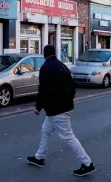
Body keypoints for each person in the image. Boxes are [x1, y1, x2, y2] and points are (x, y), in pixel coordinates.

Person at [27, 45, 95, 177]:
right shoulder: (62, 66)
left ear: (44, 54)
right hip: (60, 107)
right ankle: (39, 157)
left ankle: (87, 164)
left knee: (68, 136)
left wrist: (38, 107)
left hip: (56, 109)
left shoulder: (46, 68)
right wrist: (68, 99)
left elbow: (43, 89)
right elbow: (72, 85)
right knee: (46, 130)